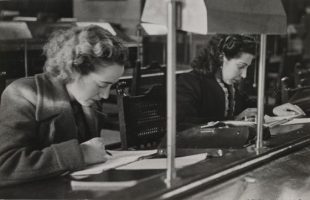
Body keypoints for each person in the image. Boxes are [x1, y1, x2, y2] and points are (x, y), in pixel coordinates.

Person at [0, 25, 128, 186]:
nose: (105, 95)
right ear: (74, 70)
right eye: (102, 85)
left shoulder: (88, 103)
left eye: (111, 86)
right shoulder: (22, 94)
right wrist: (81, 154)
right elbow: (4, 167)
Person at [176, 34, 259, 131]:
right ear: (221, 58)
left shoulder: (228, 86)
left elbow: (247, 106)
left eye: (247, 67)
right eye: (241, 66)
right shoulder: (190, 83)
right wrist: (233, 121)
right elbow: (182, 126)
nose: (244, 75)